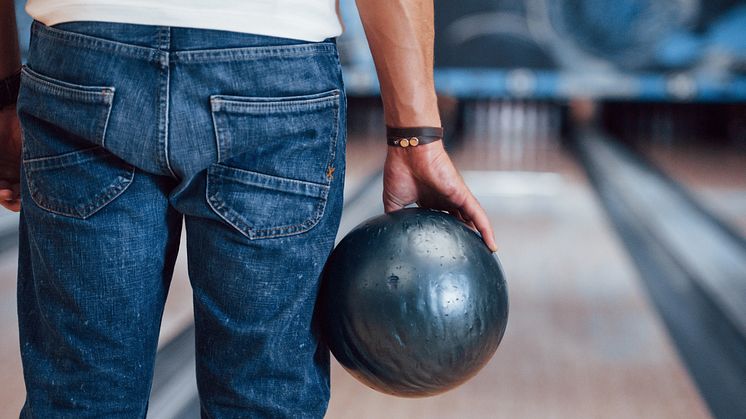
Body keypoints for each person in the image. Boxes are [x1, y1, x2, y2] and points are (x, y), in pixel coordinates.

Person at [0, 0, 497, 416]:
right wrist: (417, 136)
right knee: (263, 398)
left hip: (82, 55)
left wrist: (3, 92)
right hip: (273, 63)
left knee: (78, 399)